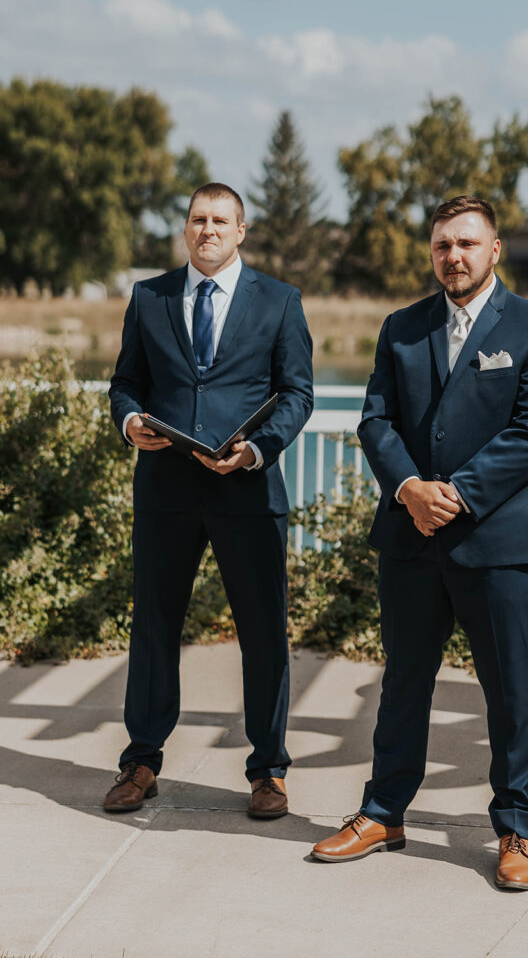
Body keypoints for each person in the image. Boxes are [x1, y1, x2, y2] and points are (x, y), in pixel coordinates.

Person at [312, 195, 528, 889]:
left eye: (465, 244)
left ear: (492, 250)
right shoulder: (400, 328)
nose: (451, 256)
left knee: (510, 692)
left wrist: (451, 495)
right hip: (409, 537)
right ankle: (383, 812)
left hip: (497, 541)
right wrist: (408, 490)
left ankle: (516, 829)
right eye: (440, 246)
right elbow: (375, 421)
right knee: (400, 683)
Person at [105, 182, 313, 820]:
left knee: (262, 635)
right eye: (198, 219)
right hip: (165, 490)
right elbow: (125, 383)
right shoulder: (150, 296)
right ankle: (141, 761)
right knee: (154, 628)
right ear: (185, 229)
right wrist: (130, 421)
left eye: (221, 220)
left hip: (246, 490)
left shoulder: (280, 301)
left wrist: (254, 452)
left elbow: (298, 393)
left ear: (241, 230)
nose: (208, 230)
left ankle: (268, 772)